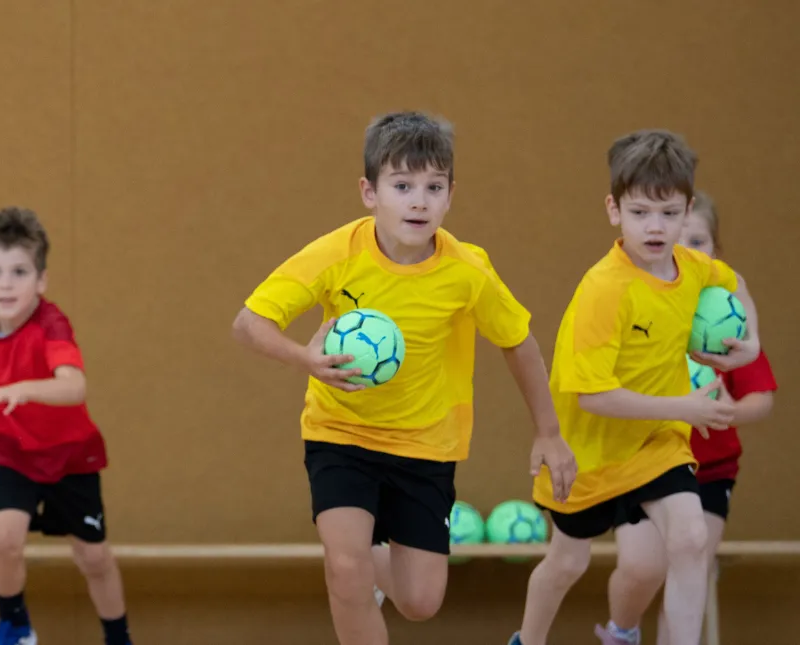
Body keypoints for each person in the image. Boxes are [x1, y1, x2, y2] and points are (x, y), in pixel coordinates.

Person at [231, 111, 576, 645]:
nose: (419, 200)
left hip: (425, 445)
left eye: (433, 187)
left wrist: (549, 432)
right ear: (369, 193)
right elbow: (249, 324)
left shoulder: (467, 271)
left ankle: (367, 558)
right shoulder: (335, 255)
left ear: (451, 195)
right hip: (340, 434)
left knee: (419, 602)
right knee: (345, 571)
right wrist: (307, 359)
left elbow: (519, 343)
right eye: (402, 185)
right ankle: (353, 562)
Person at [511, 131, 762, 645]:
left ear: (686, 208)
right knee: (565, 563)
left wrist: (751, 344)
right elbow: (593, 396)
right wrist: (686, 406)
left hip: (656, 445)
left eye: (669, 214)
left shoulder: (692, 268)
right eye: (641, 212)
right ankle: (527, 640)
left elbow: (733, 281)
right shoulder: (606, 290)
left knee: (691, 539)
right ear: (613, 209)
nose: (655, 227)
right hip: (588, 453)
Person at [0, 207, 131, 645]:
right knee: (4, 541)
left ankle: (118, 637)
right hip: (15, 456)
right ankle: (16, 628)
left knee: (93, 557)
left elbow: (74, 386)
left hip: (71, 459)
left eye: (20, 271)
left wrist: (23, 389)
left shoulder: (51, 325)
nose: (6, 283)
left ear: (41, 280)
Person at [652, 190, 777, 640]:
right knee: (647, 570)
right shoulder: (647, 313)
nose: (686, 251)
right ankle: (621, 629)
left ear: (716, 252)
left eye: (698, 241)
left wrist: (725, 413)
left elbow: (761, 398)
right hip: (649, 466)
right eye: (676, 240)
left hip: (711, 472)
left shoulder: (726, 321)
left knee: (692, 567)